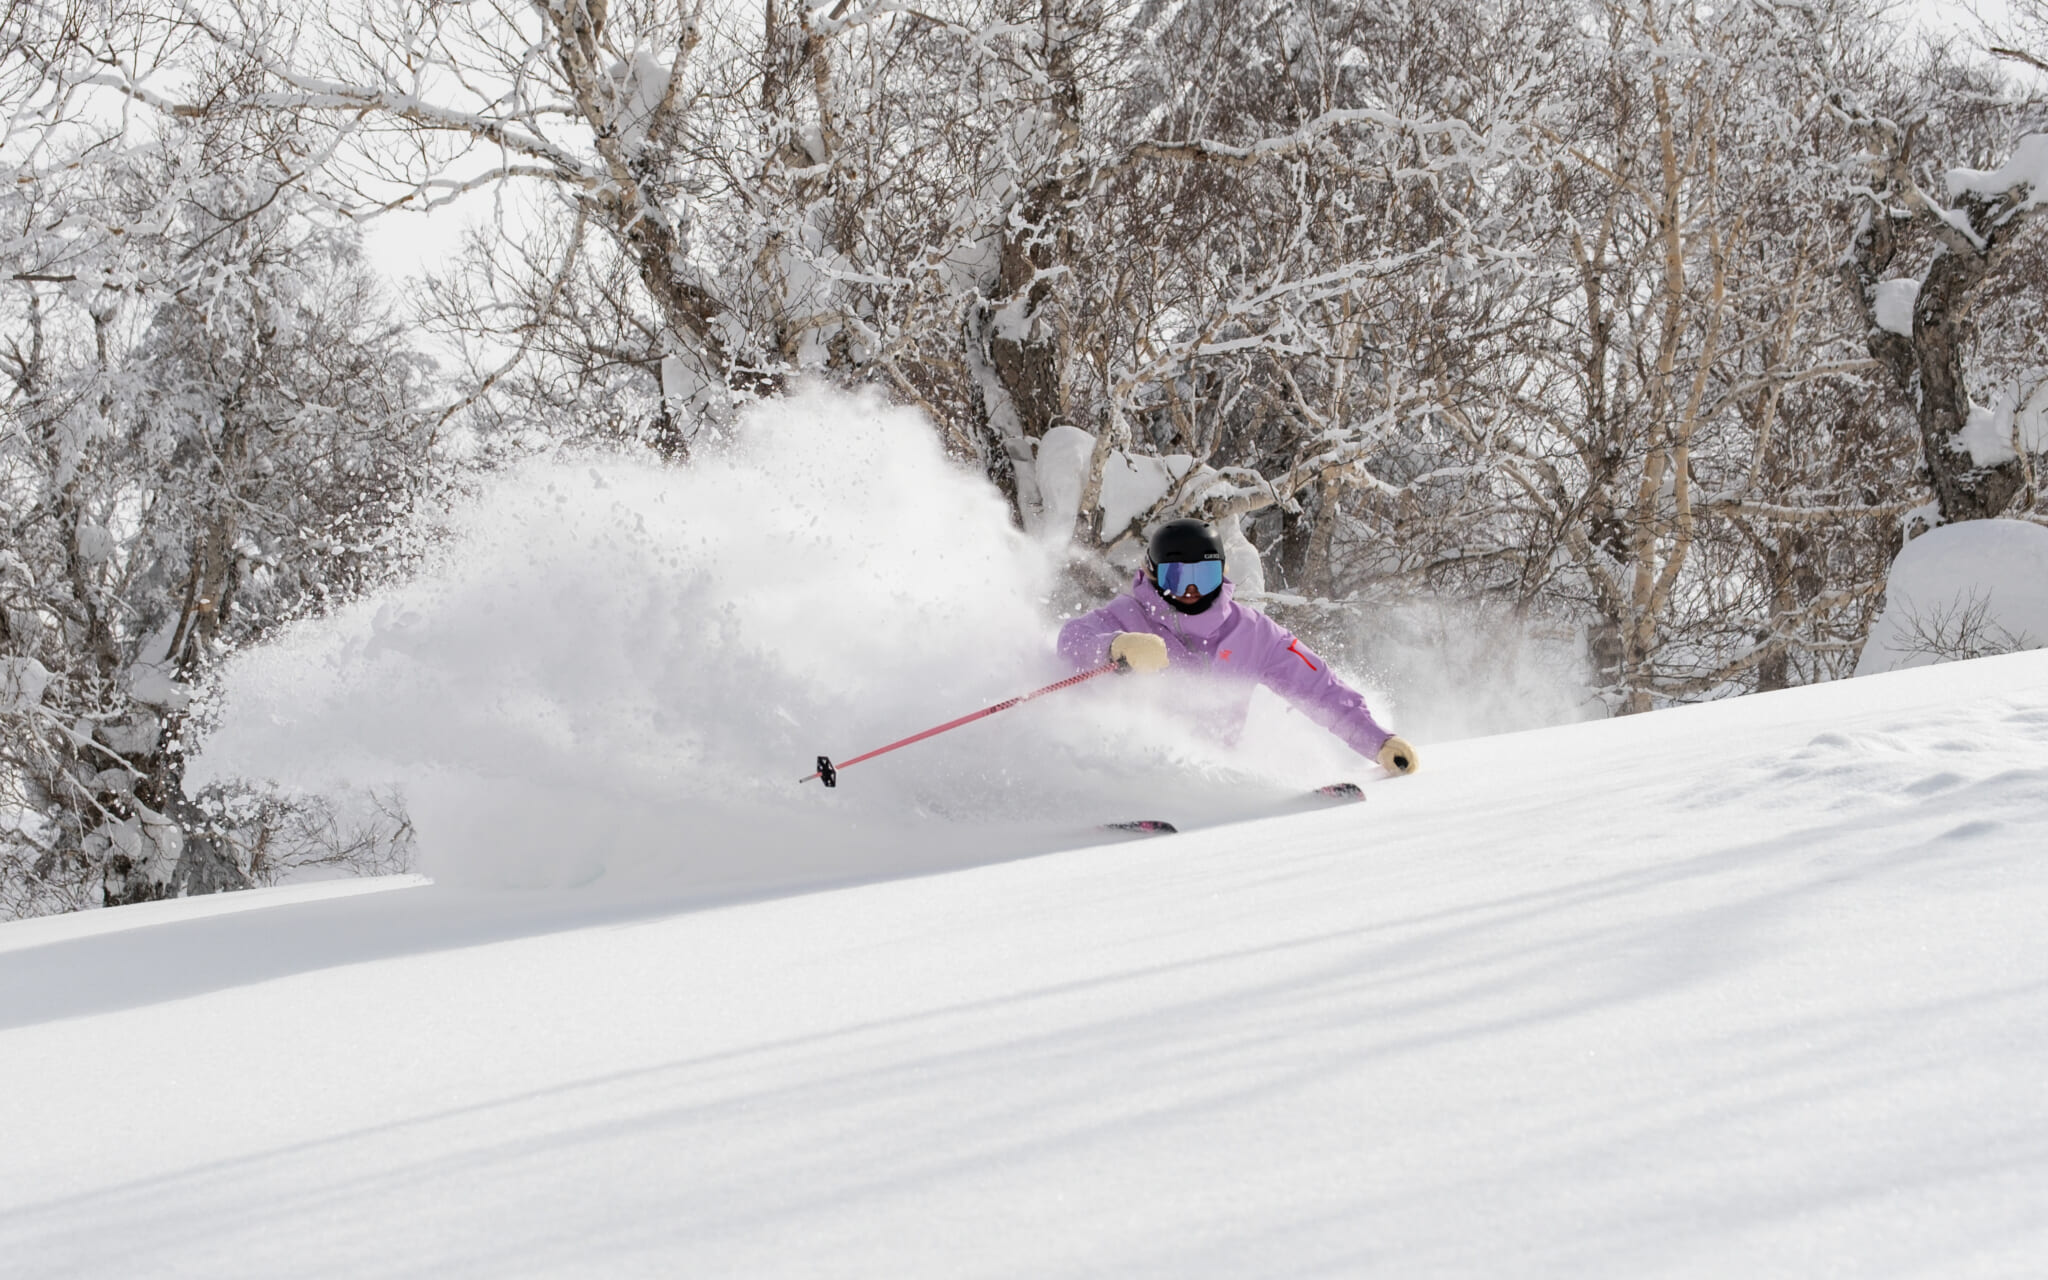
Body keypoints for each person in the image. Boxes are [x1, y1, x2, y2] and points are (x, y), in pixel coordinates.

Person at [1057, 518, 1418, 775]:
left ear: (1222, 574)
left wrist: (1378, 742)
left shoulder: (1252, 633)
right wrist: (1115, 646)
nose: (1191, 591)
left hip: (1214, 778)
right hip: (1129, 768)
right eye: (1177, 578)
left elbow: (1318, 687)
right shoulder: (1127, 617)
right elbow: (1070, 641)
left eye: (1204, 576)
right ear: (1152, 574)